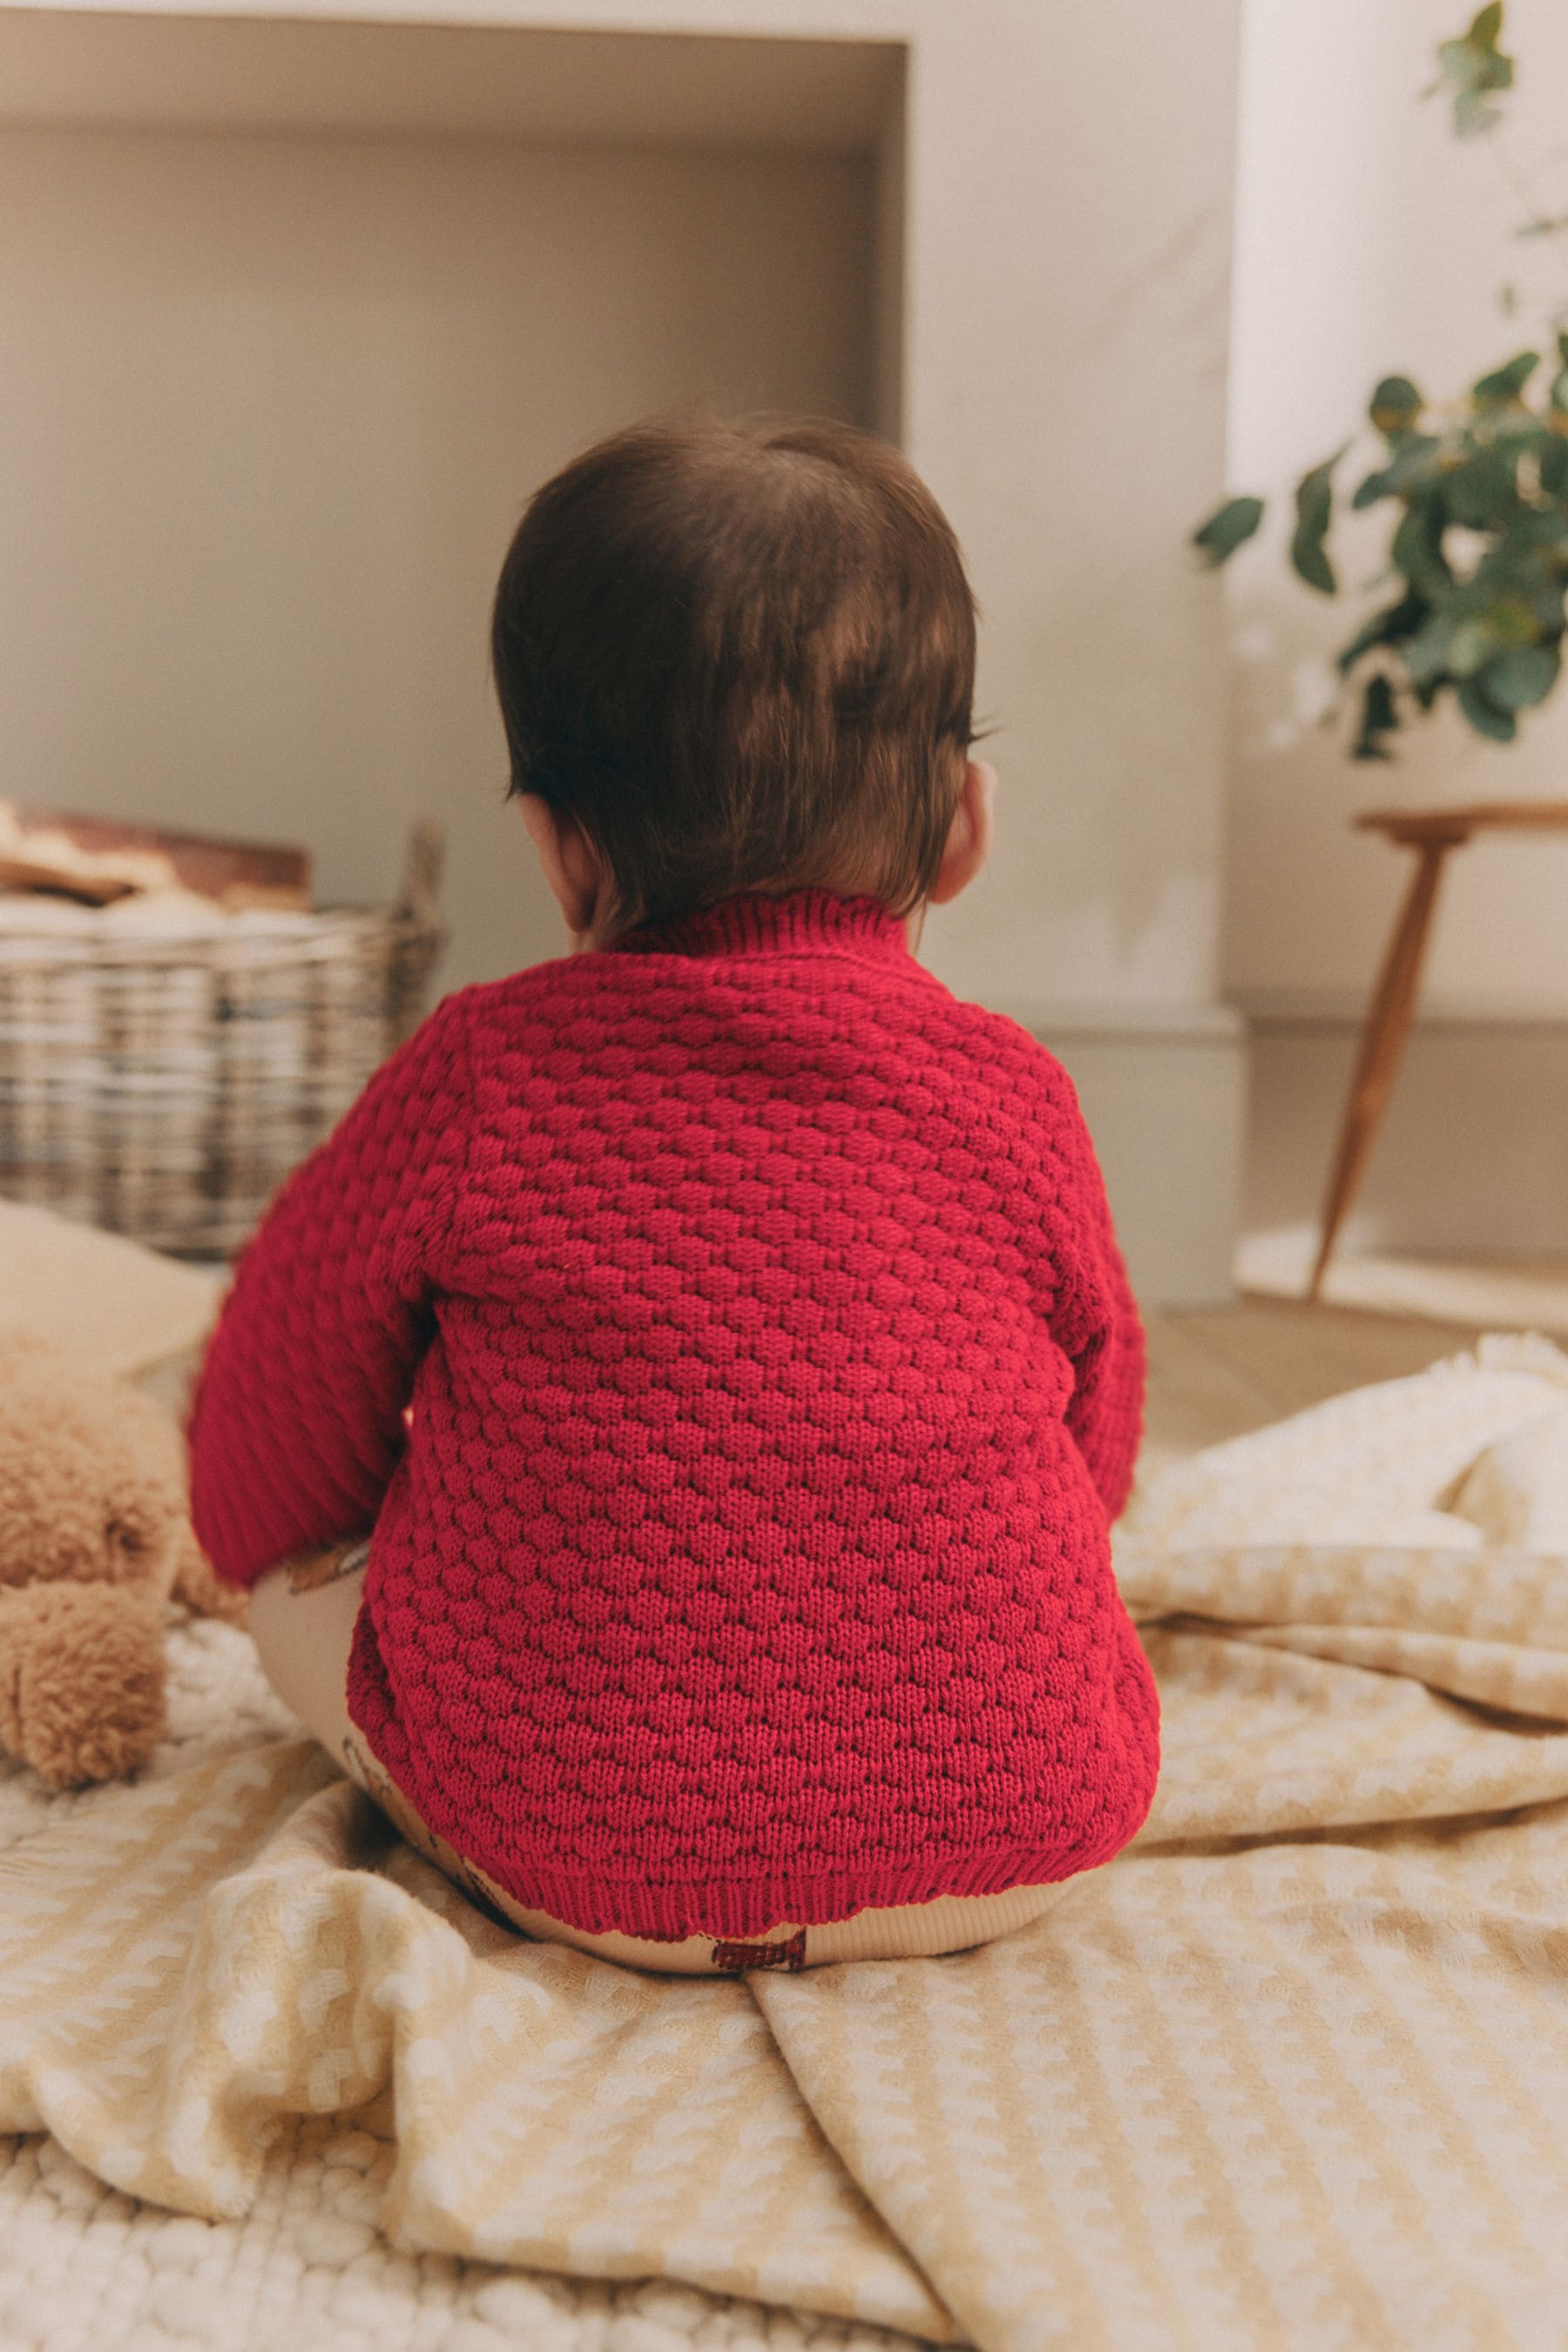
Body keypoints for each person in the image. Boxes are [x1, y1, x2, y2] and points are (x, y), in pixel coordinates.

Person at [186, 413, 1159, 1975]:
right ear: (964, 829)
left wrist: (320, 1545)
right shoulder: (1014, 1093)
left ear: (562, 854)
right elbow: (1095, 1445)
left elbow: (268, 1432)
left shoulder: (489, 1071)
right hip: (1025, 1832)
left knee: (286, 1591)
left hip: (585, 1858)